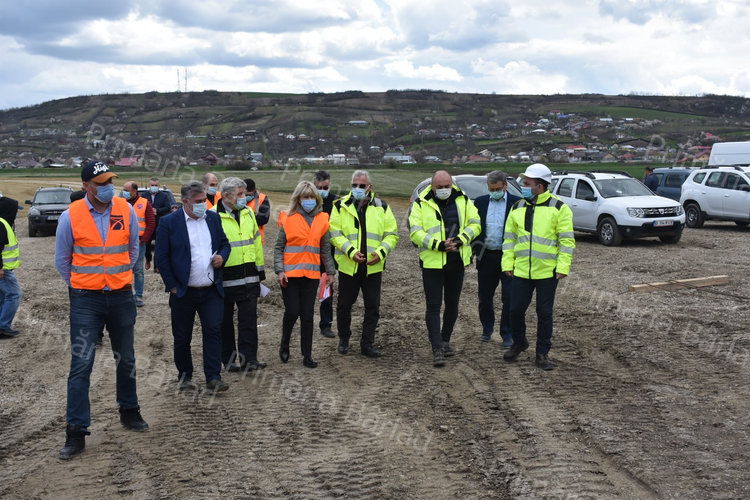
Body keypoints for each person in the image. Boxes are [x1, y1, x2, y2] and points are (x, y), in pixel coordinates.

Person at [54, 161, 148, 460]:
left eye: (110, 181)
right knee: (81, 364)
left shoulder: (125, 209)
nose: (108, 187)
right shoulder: (71, 216)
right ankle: (76, 430)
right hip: (86, 299)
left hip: (121, 296)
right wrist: (82, 285)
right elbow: (62, 260)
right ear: (86, 186)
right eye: (101, 183)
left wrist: (117, 278)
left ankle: (129, 410)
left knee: (126, 357)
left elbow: (133, 250)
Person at [155, 180, 231, 392]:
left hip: (211, 290)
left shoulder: (213, 219)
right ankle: (185, 376)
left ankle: (213, 377)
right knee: (182, 337)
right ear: (185, 201)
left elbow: (225, 244)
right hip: (183, 292)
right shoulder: (169, 223)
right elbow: (162, 257)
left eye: (205, 200)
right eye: (198, 201)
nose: (203, 204)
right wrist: (172, 285)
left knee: (213, 332)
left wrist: (222, 257)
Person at [502, 163, 575, 371]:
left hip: (547, 272)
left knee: (544, 313)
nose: (523, 187)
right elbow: (509, 239)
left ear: (540, 186)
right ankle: (519, 342)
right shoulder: (517, 207)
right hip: (521, 270)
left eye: (527, 184)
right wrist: (507, 263)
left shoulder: (559, 208)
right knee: (515, 310)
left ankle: (542, 353)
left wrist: (563, 266)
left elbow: (567, 241)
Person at [409, 170, 481, 367]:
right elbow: (415, 232)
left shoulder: (463, 200)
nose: (443, 190)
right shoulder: (420, 203)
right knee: (433, 305)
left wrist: (460, 240)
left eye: (447, 186)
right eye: (439, 187)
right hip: (432, 263)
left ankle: (445, 339)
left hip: (456, 260)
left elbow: (475, 224)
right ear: (432, 186)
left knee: (452, 303)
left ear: (452, 185)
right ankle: (437, 347)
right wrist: (438, 245)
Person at [330, 170, 399, 358]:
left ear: (370, 187)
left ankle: (367, 344)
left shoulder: (382, 207)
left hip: (373, 267)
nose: (358, 188)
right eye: (355, 185)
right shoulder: (340, 206)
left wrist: (381, 252)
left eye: (362, 185)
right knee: (344, 305)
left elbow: (392, 234)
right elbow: (335, 233)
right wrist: (351, 252)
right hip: (348, 266)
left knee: (372, 307)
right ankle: (344, 339)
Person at [274, 181, 335, 368]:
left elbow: (325, 250)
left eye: (311, 197)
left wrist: (330, 272)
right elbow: (279, 248)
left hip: (311, 276)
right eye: (305, 197)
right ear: (298, 199)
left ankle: (307, 354)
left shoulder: (323, 219)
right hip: (290, 276)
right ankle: (285, 344)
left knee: (307, 315)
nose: (309, 200)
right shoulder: (287, 218)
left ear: (316, 199)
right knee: (292, 312)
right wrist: (280, 270)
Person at [214, 177, 267, 372]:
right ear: (226, 196)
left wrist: (260, 271)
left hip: (249, 277)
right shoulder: (213, 216)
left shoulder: (249, 213)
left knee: (249, 321)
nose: (245, 197)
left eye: (245, 193)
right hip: (225, 278)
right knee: (225, 322)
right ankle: (229, 361)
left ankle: (249, 359)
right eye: (240, 194)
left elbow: (256, 243)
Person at [472, 171, 520, 348]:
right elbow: (475, 227)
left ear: (505, 185)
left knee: (509, 297)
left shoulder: (517, 203)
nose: (494, 192)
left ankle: (507, 333)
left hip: (508, 257)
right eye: (491, 189)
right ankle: (487, 328)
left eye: (498, 189)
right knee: (485, 297)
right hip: (487, 256)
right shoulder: (480, 202)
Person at [313, 170, 338, 338]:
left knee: (327, 289)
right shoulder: (307, 200)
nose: (322, 190)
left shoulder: (336, 202)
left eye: (325, 187)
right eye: (319, 187)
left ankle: (326, 324)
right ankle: (306, 321)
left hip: (328, 254)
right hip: (309, 253)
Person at [121, 181, 155, 307]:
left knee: (138, 271)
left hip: (139, 243)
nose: (124, 192)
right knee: (123, 270)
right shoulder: (120, 203)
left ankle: (138, 296)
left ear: (135, 191)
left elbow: (151, 223)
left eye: (127, 190)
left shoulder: (145, 203)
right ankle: (125, 296)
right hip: (122, 243)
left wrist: (144, 240)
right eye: (123, 190)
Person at [144, 177, 173, 271]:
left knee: (159, 245)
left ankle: (157, 265)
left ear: (159, 186)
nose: (154, 187)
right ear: (149, 185)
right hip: (147, 224)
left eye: (156, 185)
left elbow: (168, 207)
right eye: (152, 185)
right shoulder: (144, 195)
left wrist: (157, 210)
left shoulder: (164, 196)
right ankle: (148, 259)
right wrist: (149, 211)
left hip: (159, 224)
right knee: (147, 244)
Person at [0, 214, 22, 338]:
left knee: (2, 296)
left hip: (5, 268)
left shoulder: (4, 222)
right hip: (4, 269)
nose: (16, 213)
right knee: (14, 294)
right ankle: (3, 327)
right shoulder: (1, 223)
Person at [243, 178, 271, 244]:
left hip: (256, 238)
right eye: (245, 194)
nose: (247, 197)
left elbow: (264, 219)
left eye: (249, 195)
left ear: (254, 189)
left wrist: (243, 218)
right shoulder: (236, 198)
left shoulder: (262, 198)